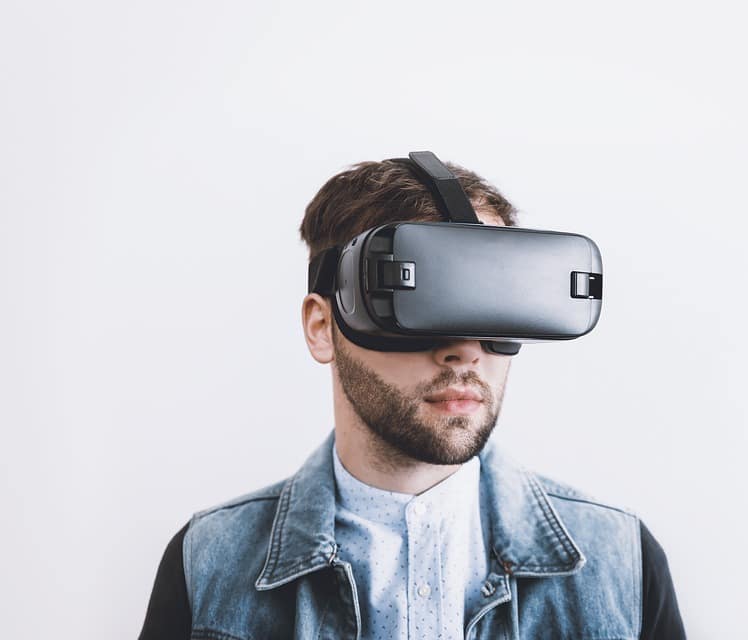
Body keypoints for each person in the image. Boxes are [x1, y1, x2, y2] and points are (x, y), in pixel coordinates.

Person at [138, 156, 686, 640]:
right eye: (417, 297)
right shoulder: (207, 565)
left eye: (492, 304)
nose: (465, 351)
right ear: (322, 326)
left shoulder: (622, 564)